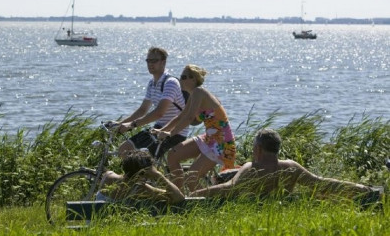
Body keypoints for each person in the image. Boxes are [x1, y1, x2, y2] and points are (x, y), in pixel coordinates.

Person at [190, 129, 373, 200]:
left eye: (254, 147)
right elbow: (322, 183)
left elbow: (228, 187)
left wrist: (195, 194)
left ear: (259, 149)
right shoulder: (291, 166)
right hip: (283, 206)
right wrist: (360, 188)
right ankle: (367, 191)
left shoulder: (251, 168)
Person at [155, 64, 236, 193]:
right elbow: (180, 116)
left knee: (191, 178)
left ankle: (206, 204)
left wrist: (169, 134)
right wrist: (161, 130)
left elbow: (189, 118)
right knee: (172, 155)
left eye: (183, 77)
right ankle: (178, 195)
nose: (180, 80)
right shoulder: (193, 95)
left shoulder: (199, 92)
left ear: (193, 79)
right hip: (209, 138)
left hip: (221, 142)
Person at [115, 46, 189, 159]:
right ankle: (135, 176)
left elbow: (160, 112)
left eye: (154, 61)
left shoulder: (170, 83)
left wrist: (132, 125)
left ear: (163, 62)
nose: (150, 64)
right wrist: (120, 124)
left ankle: (151, 176)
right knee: (123, 149)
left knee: (144, 160)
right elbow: (142, 110)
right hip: (158, 128)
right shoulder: (152, 83)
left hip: (175, 131)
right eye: (148, 60)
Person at [97, 150, 184, 204]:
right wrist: (158, 175)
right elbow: (178, 198)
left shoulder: (108, 176)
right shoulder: (140, 189)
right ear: (145, 172)